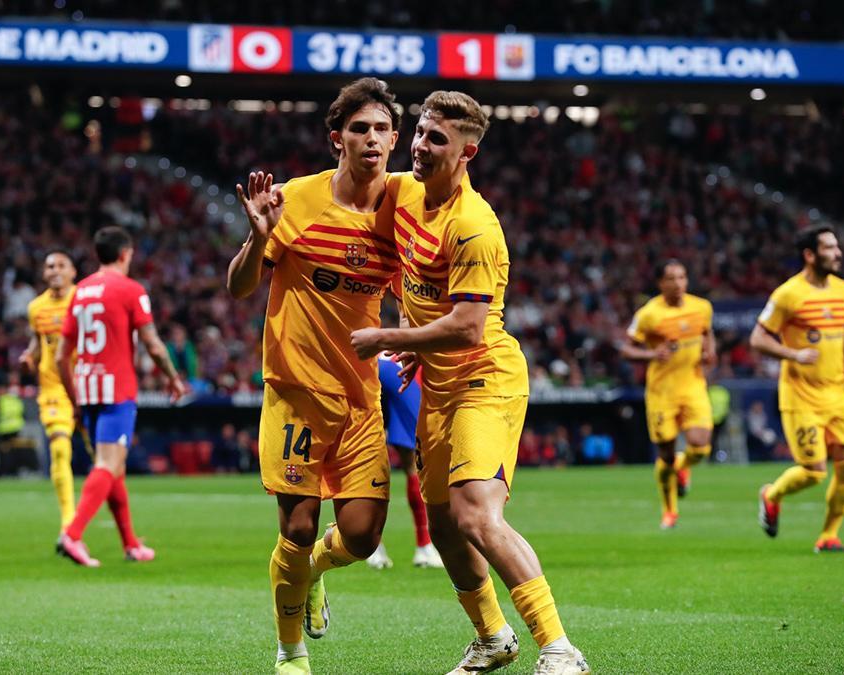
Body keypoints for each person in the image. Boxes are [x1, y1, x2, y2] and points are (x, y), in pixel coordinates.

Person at [350, 91, 590, 675]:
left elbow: (466, 325)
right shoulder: (405, 192)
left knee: (477, 514)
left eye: (438, 139)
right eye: (421, 134)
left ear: (467, 152)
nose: (421, 147)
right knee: (444, 526)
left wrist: (391, 339)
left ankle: (559, 648)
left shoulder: (476, 227)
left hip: (485, 377)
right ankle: (492, 638)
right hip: (436, 384)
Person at [226, 78, 402, 675]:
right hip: (296, 393)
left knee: (362, 537)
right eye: (359, 129)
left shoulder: (402, 214)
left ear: (395, 139)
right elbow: (239, 286)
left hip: (360, 397)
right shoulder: (293, 200)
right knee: (298, 526)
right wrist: (257, 237)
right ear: (337, 140)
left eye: (381, 128)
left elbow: (417, 292)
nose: (371, 138)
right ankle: (290, 652)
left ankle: (315, 575)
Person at [752, 225, 844, 553]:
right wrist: (793, 353)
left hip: (838, 393)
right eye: (829, 248)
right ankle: (771, 495)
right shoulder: (788, 294)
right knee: (814, 473)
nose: (838, 253)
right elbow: (757, 338)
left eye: (837, 246)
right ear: (810, 255)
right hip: (800, 395)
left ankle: (829, 536)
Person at [55, 226, 186, 566]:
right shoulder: (131, 290)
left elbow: (60, 357)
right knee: (107, 465)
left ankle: (130, 544)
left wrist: (74, 399)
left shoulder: (79, 291)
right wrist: (173, 377)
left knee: (115, 469)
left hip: (88, 389)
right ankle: (72, 535)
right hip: (117, 389)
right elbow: (153, 345)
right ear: (126, 254)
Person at [620, 260, 716, 529]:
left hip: (693, 385)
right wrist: (651, 354)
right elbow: (626, 349)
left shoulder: (702, 307)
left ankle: (684, 468)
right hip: (662, 392)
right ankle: (670, 510)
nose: (678, 283)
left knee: (701, 445)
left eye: (682, 277)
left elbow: (707, 333)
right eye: (671, 278)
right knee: (666, 454)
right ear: (661, 283)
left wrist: (710, 351)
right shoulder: (649, 314)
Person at [365, 352, 443, 569]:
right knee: (413, 464)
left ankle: (371, 547)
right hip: (400, 374)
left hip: (370, 368)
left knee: (370, 457)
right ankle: (425, 547)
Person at [19, 250, 79, 531]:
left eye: (60, 265)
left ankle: (122, 527)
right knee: (59, 449)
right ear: (44, 274)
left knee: (105, 458)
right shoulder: (36, 308)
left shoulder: (83, 300)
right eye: (49, 266)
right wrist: (29, 356)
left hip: (86, 384)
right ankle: (68, 520)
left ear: (72, 272)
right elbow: (37, 341)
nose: (54, 270)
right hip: (54, 387)